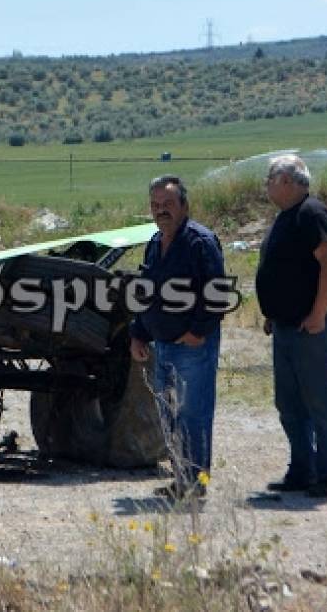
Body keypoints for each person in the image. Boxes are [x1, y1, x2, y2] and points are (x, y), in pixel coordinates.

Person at [256, 155, 327, 498]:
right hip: (286, 325)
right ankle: (303, 470)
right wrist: (273, 312)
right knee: (290, 403)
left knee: (320, 401)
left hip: (311, 326)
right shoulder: (286, 217)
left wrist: (319, 314)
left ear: (290, 181)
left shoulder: (312, 213)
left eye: (271, 178)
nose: (266, 184)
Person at [129, 174, 225, 500]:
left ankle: (195, 485)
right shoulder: (155, 243)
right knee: (168, 414)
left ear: (184, 205)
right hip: (162, 345)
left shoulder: (201, 242)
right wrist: (138, 333)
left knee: (194, 415)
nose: (161, 211)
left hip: (192, 346)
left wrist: (197, 331)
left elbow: (217, 294)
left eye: (168, 204)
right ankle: (181, 478)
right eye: (155, 205)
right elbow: (146, 293)